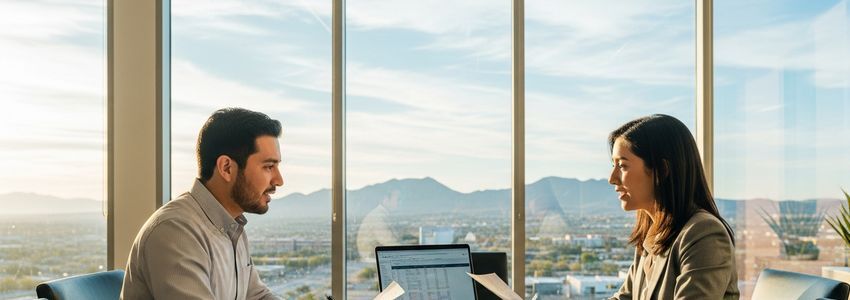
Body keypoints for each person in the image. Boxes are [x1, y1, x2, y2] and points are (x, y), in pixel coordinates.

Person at [122, 108, 283, 300]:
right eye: (268, 167)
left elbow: (257, 296)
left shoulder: (232, 228)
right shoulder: (176, 231)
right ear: (226, 168)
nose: (279, 180)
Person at [607, 114, 739, 300]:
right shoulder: (652, 234)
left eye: (622, 166)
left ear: (661, 171)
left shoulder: (704, 234)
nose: (612, 178)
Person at [356, 189, 401, 261]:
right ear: (386, 199)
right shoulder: (377, 217)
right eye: (397, 200)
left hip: (377, 257)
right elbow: (390, 243)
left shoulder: (382, 214)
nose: (399, 203)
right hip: (372, 260)